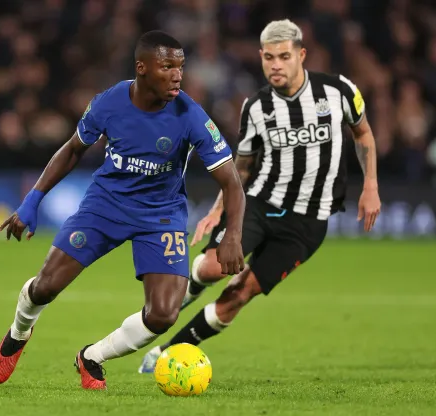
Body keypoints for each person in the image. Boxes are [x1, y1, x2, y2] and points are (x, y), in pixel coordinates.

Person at [0, 31, 246, 390]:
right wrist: (33, 200)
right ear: (142, 68)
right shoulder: (109, 103)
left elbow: (231, 181)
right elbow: (73, 149)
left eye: (181, 67)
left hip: (161, 215)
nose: (177, 75)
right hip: (105, 206)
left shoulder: (190, 114)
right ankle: (18, 333)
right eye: (167, 66)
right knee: (45, 287)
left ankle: (92, 356)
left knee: (163, 315)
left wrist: (231, 235)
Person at [138, 19, 382, 373]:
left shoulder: (339, 91)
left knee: (239, 295)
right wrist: (217, 210)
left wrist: (371, 186)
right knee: (210, 268)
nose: (276, 65)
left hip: (307, 223)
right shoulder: (256, 106)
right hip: (259, 204)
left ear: (301, 55)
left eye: (284, 56)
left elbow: (363, 134)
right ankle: (172, 305)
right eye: (269, 57)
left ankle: (169, 351)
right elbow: (243, 167)